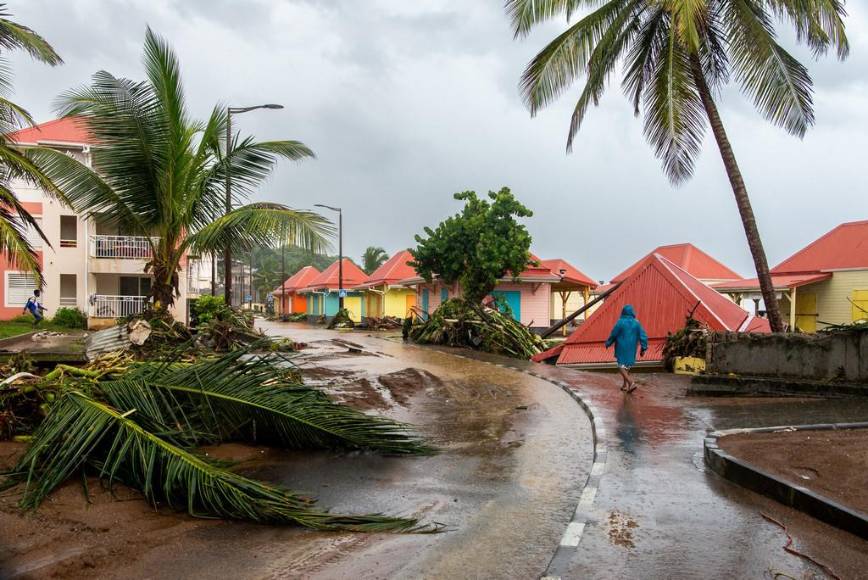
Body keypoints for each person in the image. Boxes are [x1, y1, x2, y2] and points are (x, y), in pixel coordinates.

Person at [605, 304, 648, 393]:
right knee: (627, 366)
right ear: (632, 312)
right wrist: (643, 347)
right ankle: (625, 385)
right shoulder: (637, 323)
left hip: (621, 346)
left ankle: (631, 383)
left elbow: (614, 334)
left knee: (621, 366)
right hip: (632, 348)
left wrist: (608, 342)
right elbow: (643, 335)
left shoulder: (620, 322)